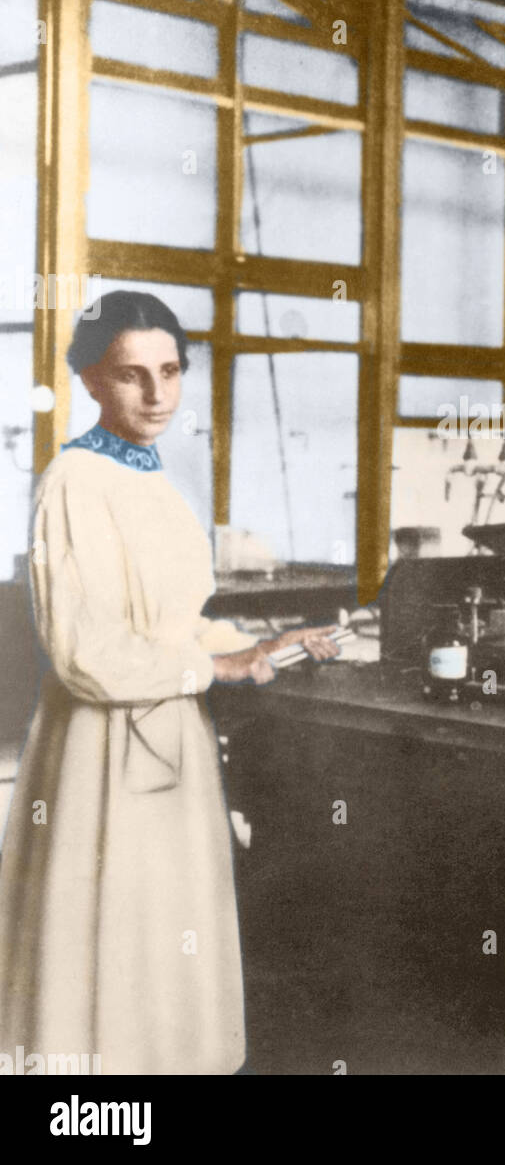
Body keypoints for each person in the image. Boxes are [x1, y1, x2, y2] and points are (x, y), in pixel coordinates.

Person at [0, 290, 339, 1075]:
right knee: (105, 949)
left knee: (164, 946)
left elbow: (171, 621)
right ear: (89, 380)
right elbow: (85, 652)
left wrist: (262, 644)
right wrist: (214, 666)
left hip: (171, 737)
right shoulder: (74, 481)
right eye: (129, 375)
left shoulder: (154, 478)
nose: (156, 395)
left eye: (170, 371)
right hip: (102, 747)